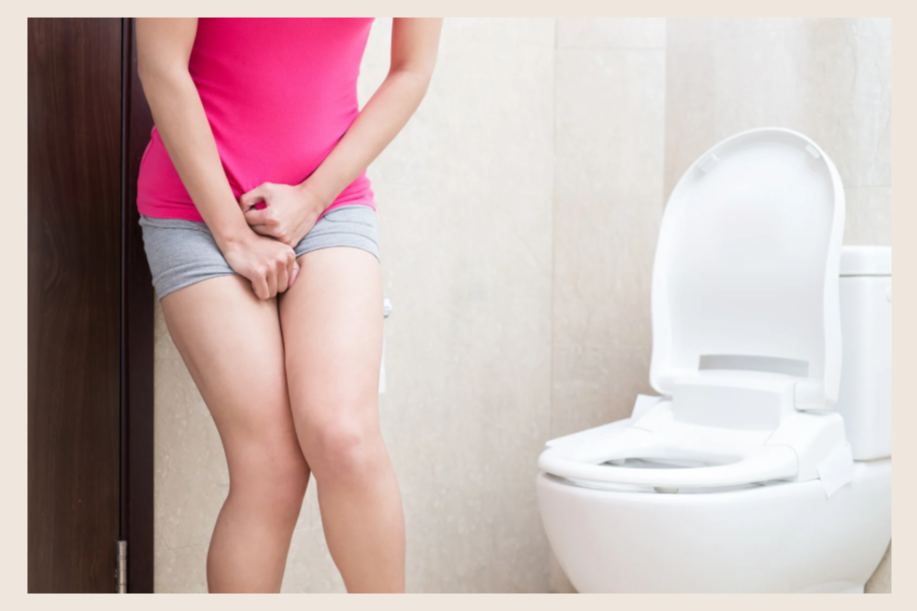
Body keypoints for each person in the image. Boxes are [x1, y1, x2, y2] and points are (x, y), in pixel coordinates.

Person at [134, 17, 442, 593]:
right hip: (198, 209)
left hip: (327, 200)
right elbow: (161, 65)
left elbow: (412, 69)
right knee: (270, 468)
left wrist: (313, 197)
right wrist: (232, 235)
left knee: (344, 437)